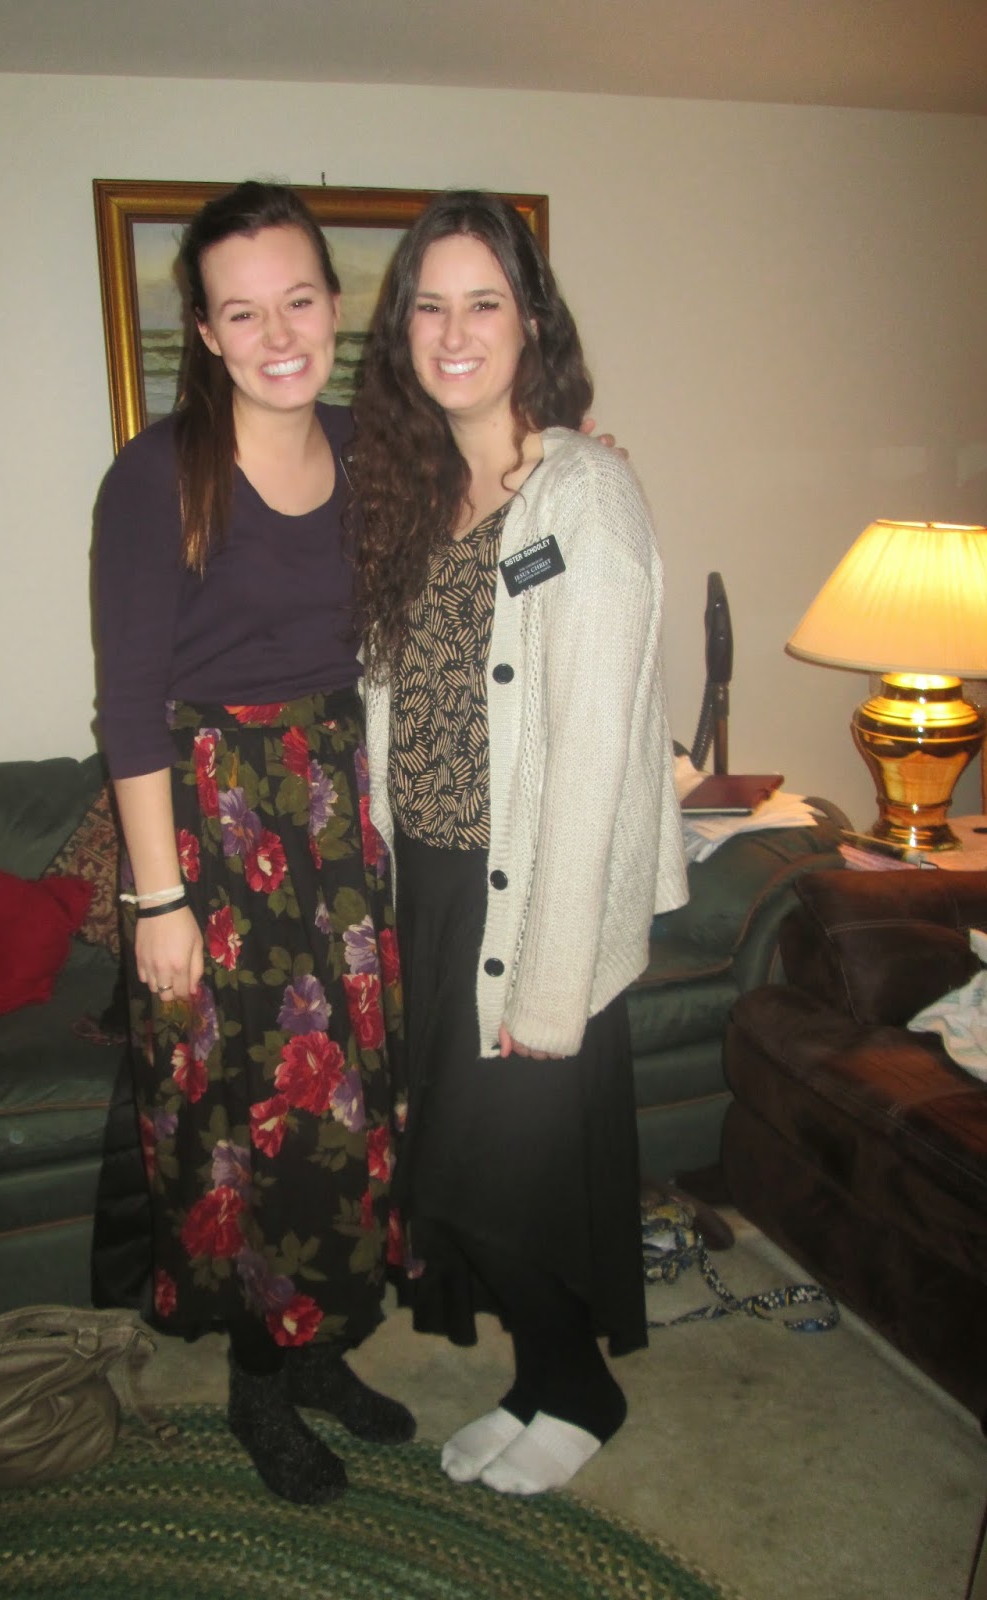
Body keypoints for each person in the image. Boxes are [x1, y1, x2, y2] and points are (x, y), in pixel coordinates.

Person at [351, 191, 688, 1497]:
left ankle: (581, 1388)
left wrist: (554, 980)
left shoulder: (585, 493)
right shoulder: (415, 492)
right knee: (462, 1171)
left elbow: (595, 751)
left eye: (483, 301)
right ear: (402, 332)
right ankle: (544, 1379)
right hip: (433, 888)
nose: (455, 331)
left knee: (492, 1173)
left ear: (531, 321)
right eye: (429, 306)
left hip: (536, 892)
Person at [92, 181, 413, 1508]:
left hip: (335, 815)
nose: (278, 334)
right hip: (215, 835)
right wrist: (159, 901)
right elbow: (127, 705)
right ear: (207, 331)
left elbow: (487, 501)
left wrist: (574, 459)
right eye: (242, 312)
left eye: (299, 300)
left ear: (336, 305)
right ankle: (258, 1383)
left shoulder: (368, 447)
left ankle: (319, 1345)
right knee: (245, 1123)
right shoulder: (157, 475)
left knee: (349, 1108)